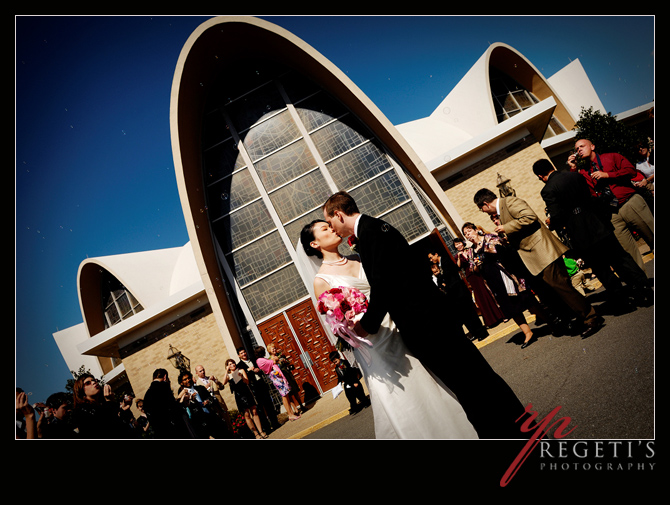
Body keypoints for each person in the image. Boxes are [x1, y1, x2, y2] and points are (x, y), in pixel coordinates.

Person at [310, 195, 524, 439]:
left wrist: (366, 324)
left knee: (471, 386)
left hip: (428, 327)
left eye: (330, 221)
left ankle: (508, 434)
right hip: (428, 321)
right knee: (474, 381)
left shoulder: (372, 234)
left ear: (339, 215)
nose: (333, 228)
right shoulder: (373, 230)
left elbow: (383, 286)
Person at [474, 188, 604, 339]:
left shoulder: (510, 202)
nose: (484, 212)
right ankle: (584, 317)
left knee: (562, 287)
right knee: (559, 288)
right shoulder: (502, 210)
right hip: (536, 256)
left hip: (543, 251)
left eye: (481, 209)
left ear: (485, 204)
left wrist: (506, 227)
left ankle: (591, 318)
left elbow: (530, 217)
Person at [533, 159, 652, 309]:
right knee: (621, 258)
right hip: (597, 222)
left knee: (601, 268)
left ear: (540, 176)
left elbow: (557, 215)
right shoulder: (575, 176)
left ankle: (623, 300)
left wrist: (551, 222)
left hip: (580, 233)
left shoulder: (548, 190)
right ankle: (644, 289)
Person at [568, 138, 653, 269]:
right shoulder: (584, 172)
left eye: (582, 146)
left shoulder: (611, 157)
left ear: (592, 147)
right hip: (612, 214)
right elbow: (577, 189)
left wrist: (608, 175)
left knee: (652, 235)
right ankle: (645, 284)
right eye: (577, 149)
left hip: (630, 203)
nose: (579, 150)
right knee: (628, 253)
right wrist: (573, 168)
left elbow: (630, 170)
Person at [461, 222, 536, 349]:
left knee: (524, 299)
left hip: (504, 274)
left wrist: (481, 245)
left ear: (475, 230)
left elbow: (498, 249)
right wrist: (476, 265)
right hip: (492, 282)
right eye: (465, 234)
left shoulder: (488, 238)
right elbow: (474, 270)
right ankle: (527, 332)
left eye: (469, 231)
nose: (468, 235)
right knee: (510, 308)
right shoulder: (471, 252)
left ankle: (547, 319)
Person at [427, 250, 489, 341]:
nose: (431, 260)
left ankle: (481, 332)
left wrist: (446, 285)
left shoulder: (445, 261)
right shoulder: (440, 265)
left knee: (470, 314)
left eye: (431, 257)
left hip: (459, 293)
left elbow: (451, 277)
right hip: (454, 296)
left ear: (436, 254)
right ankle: (474, 333)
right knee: (464, 316)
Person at [455, 237, 506, 329]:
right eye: (456, 245)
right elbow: (458, 267)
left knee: (488, 291)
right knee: (480, 297)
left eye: (459, 243)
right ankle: (490, 320)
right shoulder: (457, 256)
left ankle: (500, 315)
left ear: (462, 243)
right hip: (470, 276)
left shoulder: (470, 250)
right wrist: (459, 256)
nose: (458, 245)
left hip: (478, 272)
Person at [72, 374, 137, 439]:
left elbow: (121, 425)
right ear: (81, 391)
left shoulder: (102, 404)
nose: (94, 382)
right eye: (88, 383)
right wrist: (109, 401)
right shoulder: (82, 412)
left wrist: (124, 409)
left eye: (94, 380)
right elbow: (107, 428)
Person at [237, 347, 280, 432]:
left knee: (269, 404)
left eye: (244, 352)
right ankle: (267, 428)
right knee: (260, 408)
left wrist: (258, 370)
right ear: (239, 355)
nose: (244, 354)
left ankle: (275, 423)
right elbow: (243, 378)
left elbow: (262, 368)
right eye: (241, 353)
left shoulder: (253, 360)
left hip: (261, 383)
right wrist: (249, 371)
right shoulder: (239, 366)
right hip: (253, 387)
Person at [177, 370, 231, 439]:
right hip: (199, 424)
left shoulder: (200, 388)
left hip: (211, 418)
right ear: (181, 383)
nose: (188, 380)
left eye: (189, 378)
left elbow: (211, 398)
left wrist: (208, 401)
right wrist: (191, 400)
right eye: (185, 379)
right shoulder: (183, 395)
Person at [143, 368, 194, 439]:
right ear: (165, 377)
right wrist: (183, 403)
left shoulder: (146, 395)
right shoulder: (163, 386)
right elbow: (173, 407)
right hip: (174, 429)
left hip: (161, 433)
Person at [255, 347, 302, 422]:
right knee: (284, 396)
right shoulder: (259, 360)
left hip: (279, 376)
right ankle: (290, 414)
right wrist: (274, 359)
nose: (264, 353)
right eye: (263, 351)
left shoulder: (264, 359)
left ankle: (291, 413)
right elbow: (274, 361)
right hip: (276, 378)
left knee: (286, 395)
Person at [222, 359, 267, 438]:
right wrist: (226, 371)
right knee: (246, 414)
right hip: (239, 395)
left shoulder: (241, 370)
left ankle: (261, 431)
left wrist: (241, 376)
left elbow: (247, 382)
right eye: (230, 364)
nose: (232, 364)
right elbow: (223, 383)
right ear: (227, 366)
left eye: (233, 363)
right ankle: (256, 434)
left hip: (246, 393)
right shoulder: (228, 375)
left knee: (254, 411)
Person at [194, 364, 234, 433]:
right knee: (220, 428)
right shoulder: (198, 384)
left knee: (228, 424)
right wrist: (204, 389)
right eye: (200, 371)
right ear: (196, 373)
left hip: (220, 403)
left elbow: (222, 387)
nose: (203, 372)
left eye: (203, 370)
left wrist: (215, 380)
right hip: (212, 408)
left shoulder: (211, 378)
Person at [266, 343, 305, 413]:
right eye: (273, 349)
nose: (274, 350)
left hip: (287, 374)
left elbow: (288, 362)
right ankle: (295, 409)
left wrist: (284, 360)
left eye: (275, 348)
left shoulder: (280, 355)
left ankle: (301, 406)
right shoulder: (269, 360)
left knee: (295, 390)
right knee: (288, 394)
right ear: (269, 350)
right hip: (280, 378)